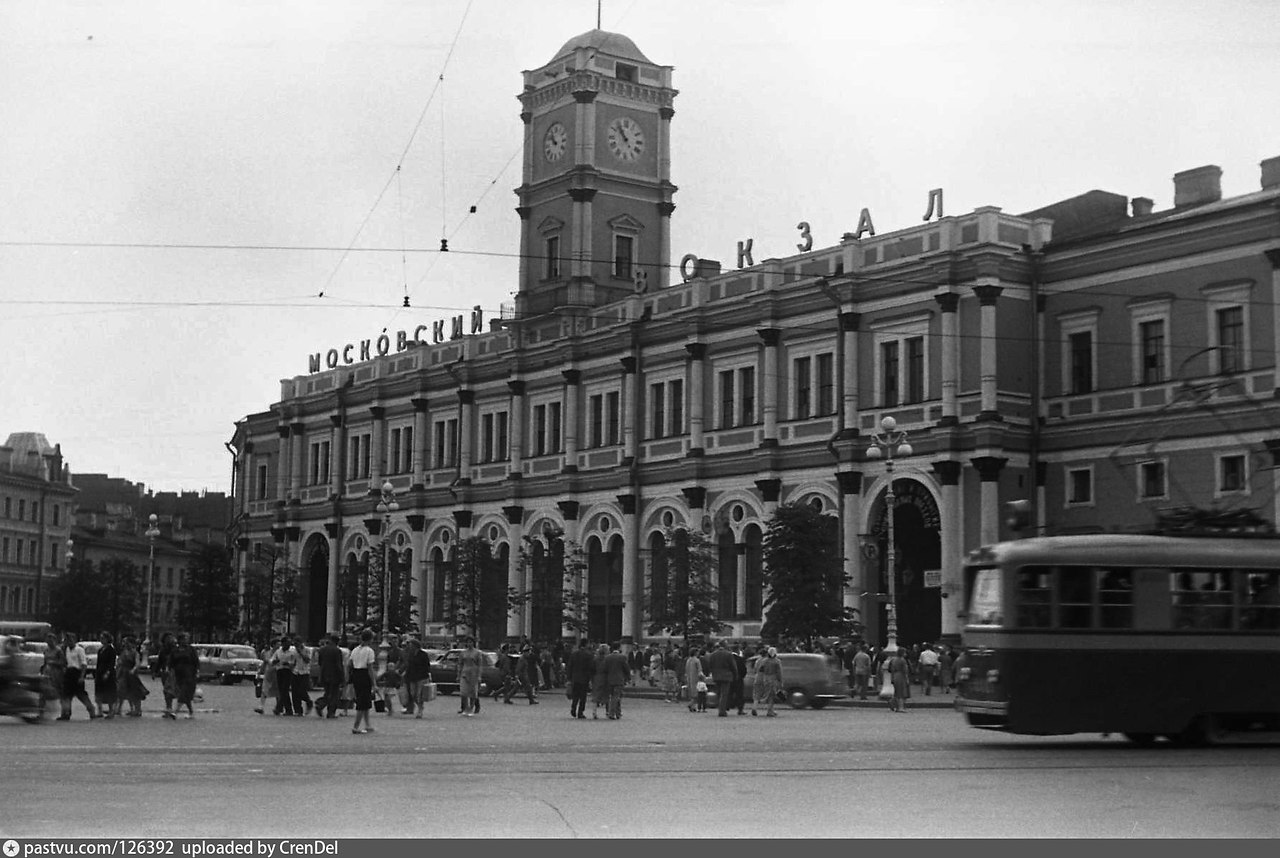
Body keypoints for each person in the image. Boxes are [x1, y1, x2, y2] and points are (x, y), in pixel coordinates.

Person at [59, 632, 97, 720]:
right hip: (69, 672)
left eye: (70, 640)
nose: (69, 642)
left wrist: (82, 676)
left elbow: (84, 664)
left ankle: (91, 709)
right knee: (66, 694)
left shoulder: (79, 649)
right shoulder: (67, 649)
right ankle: (66, 712)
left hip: (77, 672)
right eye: (67, 640)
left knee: (81, 694)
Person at [348, 630, 377, 734]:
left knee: (364, 701)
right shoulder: (369, 651)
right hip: (364, 675)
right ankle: (356, 726)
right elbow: (370, 668)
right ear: (370, 639)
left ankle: (368, 724)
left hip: (356, 675)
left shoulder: (355, 650)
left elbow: (350, 664)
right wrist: (374, 683)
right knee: (362, 702)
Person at [115, 635, 148, 717]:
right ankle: (119, 709)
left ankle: (137, 710)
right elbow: (119, 661)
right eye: (124, 642)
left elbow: (137, 663)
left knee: (135, 692)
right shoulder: (123, 652)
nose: (125, 644)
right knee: (120, 691)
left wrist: (133, 669)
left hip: (131, 675)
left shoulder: (135, 653)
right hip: (122, 674)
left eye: (126, 642)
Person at [169, 632, 200, 719]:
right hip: (179, 674)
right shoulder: (175, 650)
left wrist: (197, 671)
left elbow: (196, 661)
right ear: (180, 640)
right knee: (185, 694)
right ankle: (191, 712)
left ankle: (175, 712)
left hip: (189, 674)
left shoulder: (191, 649)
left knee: (184, 692)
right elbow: (171, 662)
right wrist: (170, 671)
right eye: (184, 639)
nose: (186, 640)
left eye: (186, 639)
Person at [401, 639, 433, 718]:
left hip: (421, 677)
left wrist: (428, 675)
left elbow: (427, 666)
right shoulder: (411, 655)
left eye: (411, 645)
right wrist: (405, 675)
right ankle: (419, 706)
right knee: (413, 694)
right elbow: (409, 666)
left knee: (419, 694)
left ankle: (420, 710)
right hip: (412, 677)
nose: (410, 646)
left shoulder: (423, 654)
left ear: (415, 645)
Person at [315, 635, 345, 718]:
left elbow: (320, 663)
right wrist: (342, 677)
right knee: (334, 694)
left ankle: (321, 704)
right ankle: (330, 711)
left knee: (328, 692)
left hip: (324, 674)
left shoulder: (322, 650)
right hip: (334, 675)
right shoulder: (337, 651)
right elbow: (338, 665)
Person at [707, 640, 736, 717]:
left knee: (719, 693)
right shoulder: (728, 654)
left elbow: (710, 665)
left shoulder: (713, 654)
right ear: (725, 645)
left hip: (716, 675)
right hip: (726, 676)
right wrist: (735, 675)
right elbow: (733, 666)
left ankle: (719, 708)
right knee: (724, 694)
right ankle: (722, 711)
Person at [567, 639, 594, 720]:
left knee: (575, 695)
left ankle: (573, 708)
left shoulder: (574, 654)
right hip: (584, 678)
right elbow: (590, 668)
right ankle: (580, 712)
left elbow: (570, 666)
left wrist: (569, 677)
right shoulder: (589, 655)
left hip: (575, 678)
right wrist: (591, 678)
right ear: (586, 644)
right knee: (583, 696)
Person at [271, 635, 298, 716]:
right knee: (282, 691)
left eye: (289, 643)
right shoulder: (278, 651)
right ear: (283, 644)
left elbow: (294, 663)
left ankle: (278, 708)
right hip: (279, 671)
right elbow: (272, 660)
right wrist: (275, 661)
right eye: (287, 643)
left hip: (288, 671)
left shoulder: (292, 652)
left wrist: (288, 664)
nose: (289, 645)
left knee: (284, 690)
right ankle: (288, 710)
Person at [94, 632, 118, 719]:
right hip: (99, 673)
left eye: (103, 638)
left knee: (109, 692)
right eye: (100, 638)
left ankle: (111, 711)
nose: (101, 640)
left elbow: (112, 663)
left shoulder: (111, 650)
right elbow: (98, 663)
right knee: (99, 692)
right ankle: (99, 711)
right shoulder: (100, 650)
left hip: (108, 674)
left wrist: (108, 673)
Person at [603, 643, 630, 720]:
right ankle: (612, 713)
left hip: (609, 679)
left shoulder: (607, 657)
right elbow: (626, 668)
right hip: (619, 679)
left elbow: (605, 669)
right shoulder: (622, 657)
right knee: (616, 696)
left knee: (613, 696)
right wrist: (628, 677)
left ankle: (618, 713)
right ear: (619, 648)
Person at [457, 637, 484, 716]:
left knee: (473, 693)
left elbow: (479, 665)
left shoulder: (477, 653)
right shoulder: (463, 653)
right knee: (463, 692)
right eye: (468, 642)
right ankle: (465, 707)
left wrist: (479, 676)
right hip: (464, 673)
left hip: (473, 674)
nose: (469, 644)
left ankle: (471, 708)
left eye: (471, 642)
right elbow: (460, 664)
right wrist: (458, 675)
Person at [40, 632, 66, 714]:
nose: (49, 642)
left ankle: (64, 711)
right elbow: (44, 661)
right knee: (43, 691)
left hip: (56, 673)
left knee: (59, 692)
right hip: (47, 672)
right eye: (48, 641)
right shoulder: (46, 650)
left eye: (51, 640)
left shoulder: (58, 651)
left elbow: (63, 662)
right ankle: (41, 711)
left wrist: (53, 662)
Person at [154, 632, 178, 719]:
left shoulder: (176, 649)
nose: (170, 640)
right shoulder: (163, 650)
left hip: (174, 673)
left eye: (171, 638)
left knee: (172, 690)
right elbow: (160, 661)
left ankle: (174, 709)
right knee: (167, 691)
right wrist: (155, 672)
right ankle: (169, 708)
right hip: (165, 673)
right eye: (168, 638)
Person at [755, 647, 783, 717]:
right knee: (771, 695)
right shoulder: (777, 661)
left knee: (769, 694)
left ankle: (769, 709)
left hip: (766, 678)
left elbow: (760, 669)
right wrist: (780, 681)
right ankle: (770, 710)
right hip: (773, 679)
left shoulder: (764, 661)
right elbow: (779, 673)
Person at [290, 640, 313, 716]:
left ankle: (308, 701)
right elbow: (293, 662)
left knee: (302, 691)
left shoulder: (307, 650)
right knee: (295, 693)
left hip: (305, 672)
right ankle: (298, 710)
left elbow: (307, 660)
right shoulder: (293, 651)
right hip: (295, 672)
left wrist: (300, 652)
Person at [888, 648, 911, 713]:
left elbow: (891, 669)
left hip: (895, 675)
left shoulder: (893, 660)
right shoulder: (902, 660)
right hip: (901, 676)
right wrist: (907, 678)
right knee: (902, 692)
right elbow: (905, 670)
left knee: (897, 691)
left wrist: (892, 678)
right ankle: (900, 707)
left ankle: (893, 702)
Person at [590, 644, 609, 719]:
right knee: (607, 695)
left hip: (597, 678)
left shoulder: (595, 659)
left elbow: (592, 669)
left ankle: (594, 712)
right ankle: (607, 712)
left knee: (596, 695)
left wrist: (592, 679)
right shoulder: (607, 659)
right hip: (605, 678)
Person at [729, 644, 748, 715]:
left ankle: (727, 706)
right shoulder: (740, 659)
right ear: (737, 650)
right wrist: (742, 676)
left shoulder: (729, 658)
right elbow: (743, 669)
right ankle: (740, 709)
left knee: (729, 693)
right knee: (739, 694)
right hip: (738, 678)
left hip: (729, 678)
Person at [684, 648, 703, 714]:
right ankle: (691, 704)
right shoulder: (697, 660)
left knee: (691, 693)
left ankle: (693, 706)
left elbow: (686, 669)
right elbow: (699, 670)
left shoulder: (688, 660)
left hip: (689, 678)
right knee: (696, 693)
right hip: (695, 678)